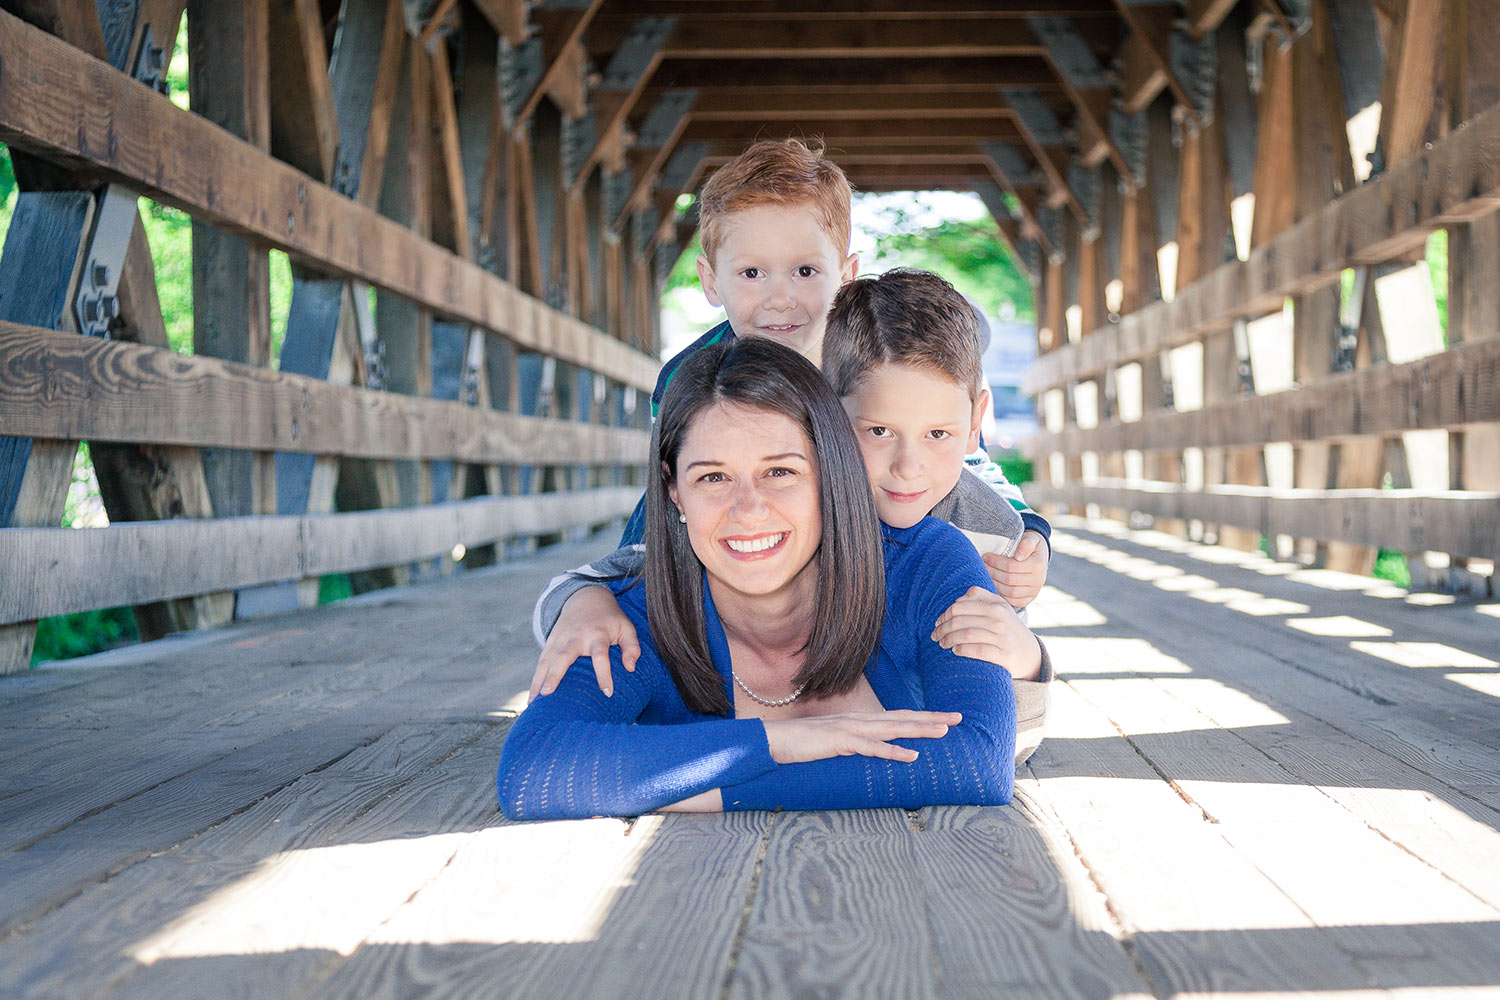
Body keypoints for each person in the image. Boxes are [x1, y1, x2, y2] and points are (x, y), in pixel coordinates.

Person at [531, 269, 1056, 766]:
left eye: (938, 434)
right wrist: (582, 600)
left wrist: (1027, 660)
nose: (907, 467)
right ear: (826, 413)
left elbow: (1002, 745)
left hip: (907, 736)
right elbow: (638, 565)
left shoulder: (987, 531)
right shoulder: (782, 506)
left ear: (973, 425)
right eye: (876, 432)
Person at [497, 338, 1019, 820]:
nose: (748, 511)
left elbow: (976, 762)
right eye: (713, 477)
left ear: (830, 472)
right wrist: (779, 741)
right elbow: (533, 773)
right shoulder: (634, 620)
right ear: (674, 490)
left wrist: (696, 787)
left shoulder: (925, 565)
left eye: (780, 472)